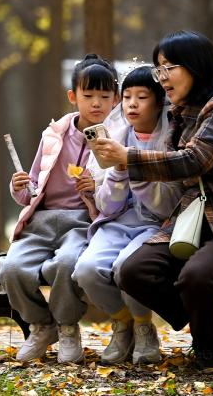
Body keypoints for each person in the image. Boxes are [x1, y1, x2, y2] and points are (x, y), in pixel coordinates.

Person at [89, 31, 213, 373]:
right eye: (158, 69)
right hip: (194, 220)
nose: (161, 77)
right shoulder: (182, 114)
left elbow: (193, 161)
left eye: (169, 67)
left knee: (197, 276)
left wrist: (129, 157)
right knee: (134, 271)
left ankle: (205, 342)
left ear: (197, 66)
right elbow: (178, 171)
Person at [0, 54, 118, 363]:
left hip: (81, 223)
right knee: (10, 268)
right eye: (88, 95)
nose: (96, 103)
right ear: (72, 96)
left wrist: (94, 191)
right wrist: (21, 186)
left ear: (115, 99)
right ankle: (42, 325)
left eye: (104, 97)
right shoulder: (54, 136)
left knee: (66, 263)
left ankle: (67, 326)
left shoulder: (116, 139)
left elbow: (120, 193)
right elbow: (34, 190)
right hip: (41, 221)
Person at [72, 66, 182, 365]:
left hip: (156, 227)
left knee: (126, 268)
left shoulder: (171, 143)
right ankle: (123, 324)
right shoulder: (113, 137)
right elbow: (107, 205)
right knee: (86, 270)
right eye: (127, 97)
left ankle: (145, 327)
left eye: (142, 97)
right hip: (117, 224)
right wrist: (118, 172)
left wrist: (134, 167)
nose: (132, 104)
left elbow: (165, 206)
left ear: (159, 102)